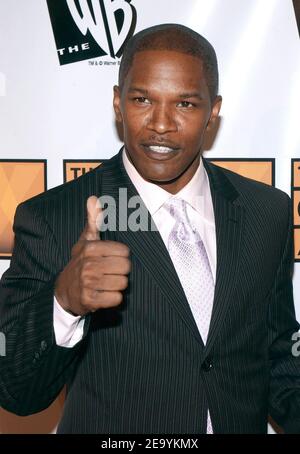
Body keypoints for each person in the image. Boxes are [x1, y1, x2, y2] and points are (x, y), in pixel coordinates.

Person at [0, 23, 299, 434]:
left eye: (186, 105)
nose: (161, 124)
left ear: (213, 111)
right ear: (117, 103)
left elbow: (280, 353)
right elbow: (16, 390)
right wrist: (64, 303)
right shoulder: (53, 218)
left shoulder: (267, 211)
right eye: (142, 99)